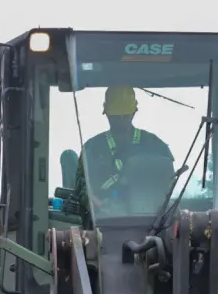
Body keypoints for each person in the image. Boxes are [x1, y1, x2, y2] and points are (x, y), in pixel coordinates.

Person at [73, 85, 174, 221]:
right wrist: (99, 206)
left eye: (124, 116)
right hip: (104, 226)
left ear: (133, 113)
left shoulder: (156, 146)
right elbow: (82, 189)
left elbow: (167, 185)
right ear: (107, 113)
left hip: (151, 224)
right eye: (116, 117)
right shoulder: (92, 149)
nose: (120, 121)